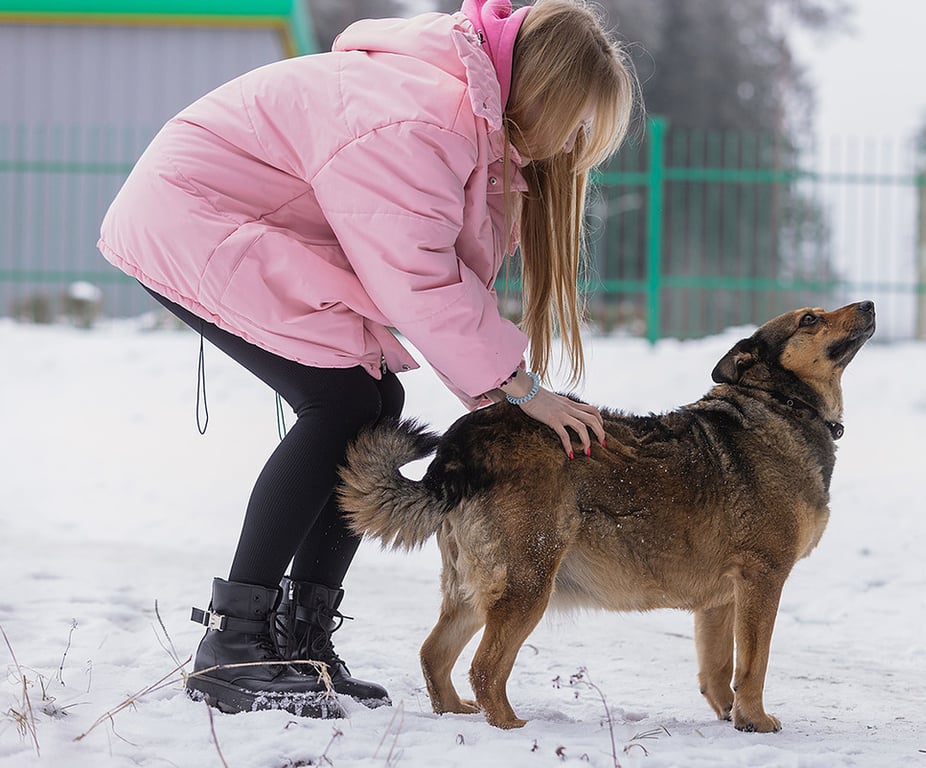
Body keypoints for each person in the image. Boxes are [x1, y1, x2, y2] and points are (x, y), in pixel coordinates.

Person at [98, 0, 636, 718]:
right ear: (540, 92)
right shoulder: (426, 117)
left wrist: (502, 377)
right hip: (195, 218)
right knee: (344, 405)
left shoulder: (462, 115)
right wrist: (519, 385)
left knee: (374, 405)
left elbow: (435, 263)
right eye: (575, 120)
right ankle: (233, 648)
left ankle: (300, 638)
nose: (574, 141)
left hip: (239, 220)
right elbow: (416, 277)